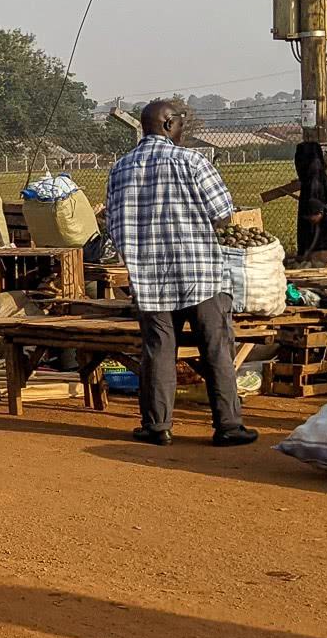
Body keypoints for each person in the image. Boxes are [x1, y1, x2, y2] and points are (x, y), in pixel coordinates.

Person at [104, 99, 258, 448]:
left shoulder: (121, 169)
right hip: (201, 274)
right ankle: (229, 426)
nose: (182, 131)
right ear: (168, 124)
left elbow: (113, 224)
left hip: (148, 277)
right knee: (216, 348)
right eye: (181, 125)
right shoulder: (193, 161)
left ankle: (157, 426)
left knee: (158, 350)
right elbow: (222, 213)